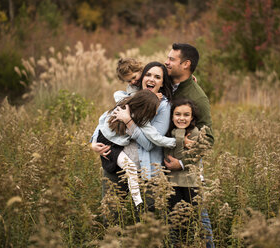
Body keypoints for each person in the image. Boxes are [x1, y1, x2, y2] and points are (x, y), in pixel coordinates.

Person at [91, 61, 173, 210]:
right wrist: (93, 142)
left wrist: (128, 121)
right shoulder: (129, 95)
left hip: (146, 169)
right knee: (110, 213)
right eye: (147, 75)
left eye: (157, 77)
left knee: (148, 219)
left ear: (162, 82)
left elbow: (149, 144)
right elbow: (105, 118)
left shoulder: (163, 106)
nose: (150, 79)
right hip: (115, 162)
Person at [164, 43, 215, 248]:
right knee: (172, 221)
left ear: (186, 64)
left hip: (185, 170)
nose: (166, 62)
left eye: (171, 59)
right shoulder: (165, 81)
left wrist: (183, 163)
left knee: (198, 215)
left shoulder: (198, 97)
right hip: (162, 165)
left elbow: (208, 139)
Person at [164, 98, 205, 245]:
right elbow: (167, 158)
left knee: (191, 221)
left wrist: (180, 138)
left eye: (186, 115)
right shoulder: (168, 133)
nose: (182, 118)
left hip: (190, 184)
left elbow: (183, 157)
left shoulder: (194, 133)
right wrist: (180, 139)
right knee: (175, 222)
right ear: (172, 116)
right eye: (178, 114)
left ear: (192, 117)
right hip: (173, 184)